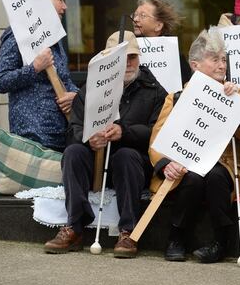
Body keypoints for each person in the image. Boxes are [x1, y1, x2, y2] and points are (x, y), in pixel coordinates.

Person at [44, 31, 167, 258]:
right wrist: (88, 138)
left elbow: (158, 132)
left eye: (132, 57)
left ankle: (128, 230)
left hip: (133, 165)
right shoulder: (91, 89)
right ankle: (75, 226)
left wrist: (124, 132)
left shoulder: (155, 91)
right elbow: (74, 128)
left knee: (126, 156)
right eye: (121, 58)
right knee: (73, 152)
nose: (128, 63)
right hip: (97, 163)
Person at [149, 27, 240, 264]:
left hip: (225, 165)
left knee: (216, 177)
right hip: (186, 163)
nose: (222, 65)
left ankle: (220, 242)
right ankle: (176, 237)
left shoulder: (236, 93)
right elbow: (157, 140)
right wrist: (166, 164)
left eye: (223, 60)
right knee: (194, 178)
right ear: (195, 65)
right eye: (215, 59)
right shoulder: (176, 97)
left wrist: (234, 104)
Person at [0, 0, 78, 152]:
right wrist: (34, 68)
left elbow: (65, 79)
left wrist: (75, 96)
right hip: (32, 135)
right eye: (61, 0)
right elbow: (2, 81)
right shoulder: (18, 34)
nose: (65, 7)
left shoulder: (54, 39)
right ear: (44, 2)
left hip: (60, 132)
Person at [131, 0, 192, 83]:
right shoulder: (130, 50)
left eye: (142, 15)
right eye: (135, 15)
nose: (135, 19)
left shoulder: (174, 56)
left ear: (158, 25)